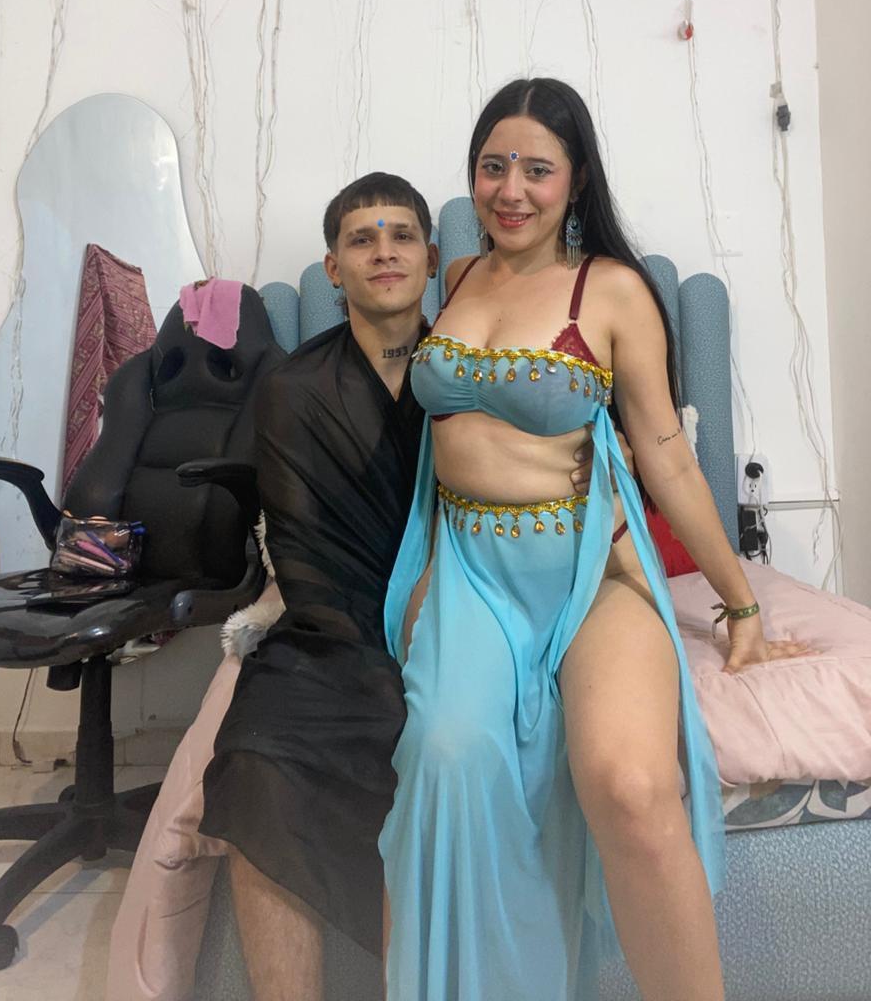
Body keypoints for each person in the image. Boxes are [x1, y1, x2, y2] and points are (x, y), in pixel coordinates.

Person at [106, 172, 609, 1001]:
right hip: (331, 631)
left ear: (433, 259)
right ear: (334, 268)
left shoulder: (477, 376)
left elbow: (526, 509)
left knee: (443, 749)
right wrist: (371, 648)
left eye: (402, 235)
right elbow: (303, 551)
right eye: (362, 239)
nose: (384, 252)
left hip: (464, 622)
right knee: (256, 756)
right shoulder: (292, 388)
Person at [379, 78, 811, 1001]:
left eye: (537, 169)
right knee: (447, 758)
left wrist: (741, 607)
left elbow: (667, 458)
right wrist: (420, 573)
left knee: (629, 786)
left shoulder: (611, 290)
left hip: (586, 573)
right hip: (470, 577)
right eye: (493, 166)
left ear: (576, 180)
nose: (512, 190)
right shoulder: (454, 280)